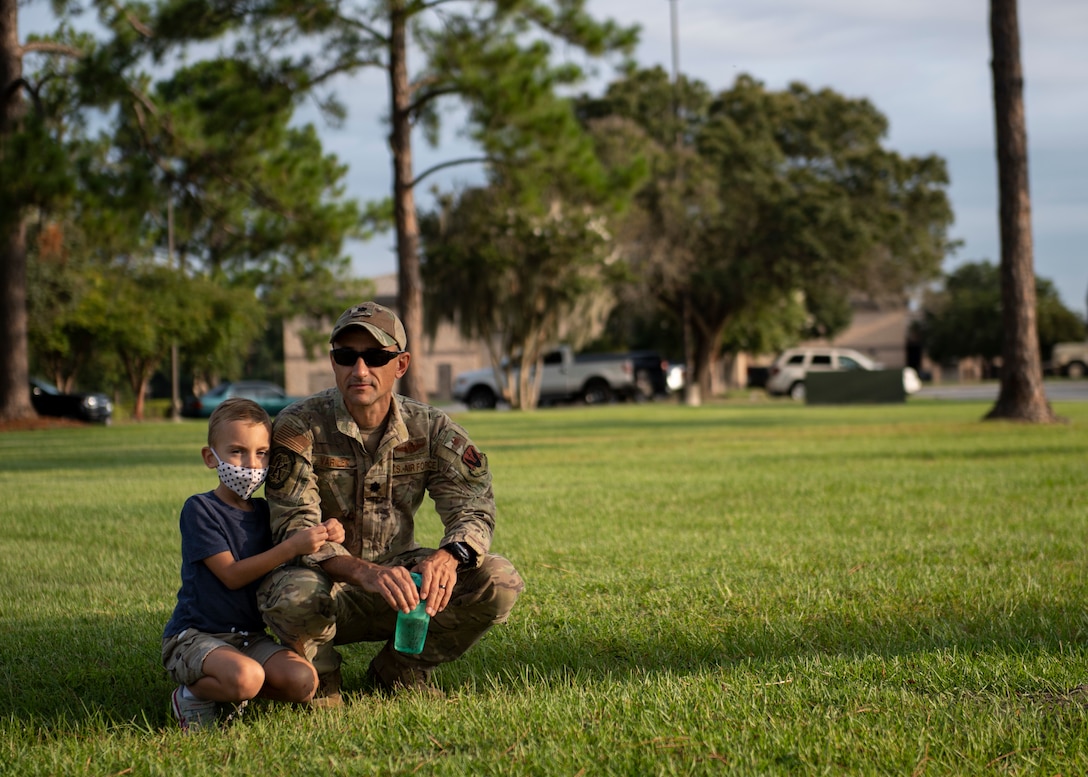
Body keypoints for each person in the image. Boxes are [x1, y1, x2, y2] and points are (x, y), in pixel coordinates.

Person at [257, 301, 524, 702]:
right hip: (324, 583)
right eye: (347, 356)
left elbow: (473, 505)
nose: (360, 370)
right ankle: (321, 684)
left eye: (376, 356)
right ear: (334, 362)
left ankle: (400, 670)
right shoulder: (299, 426)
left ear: (401, 365)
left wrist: (447, 558)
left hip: (403, 586)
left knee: (498, 580)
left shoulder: (431, 427)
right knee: (295, 596)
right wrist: (364, 573)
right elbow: (294, 525)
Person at [162, 397, 345, 732]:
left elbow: (301, 539)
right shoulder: (200, 510)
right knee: (248, 677)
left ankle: (236, 688)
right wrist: (291, 546)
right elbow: (232, 576)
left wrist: (328, 530)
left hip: (249, 639)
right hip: (196, 636)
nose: (250, 463)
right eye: (236, 451)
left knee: (305, 681)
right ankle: (191, 694)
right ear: (210, 457)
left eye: (261, 453)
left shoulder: (265, 513)